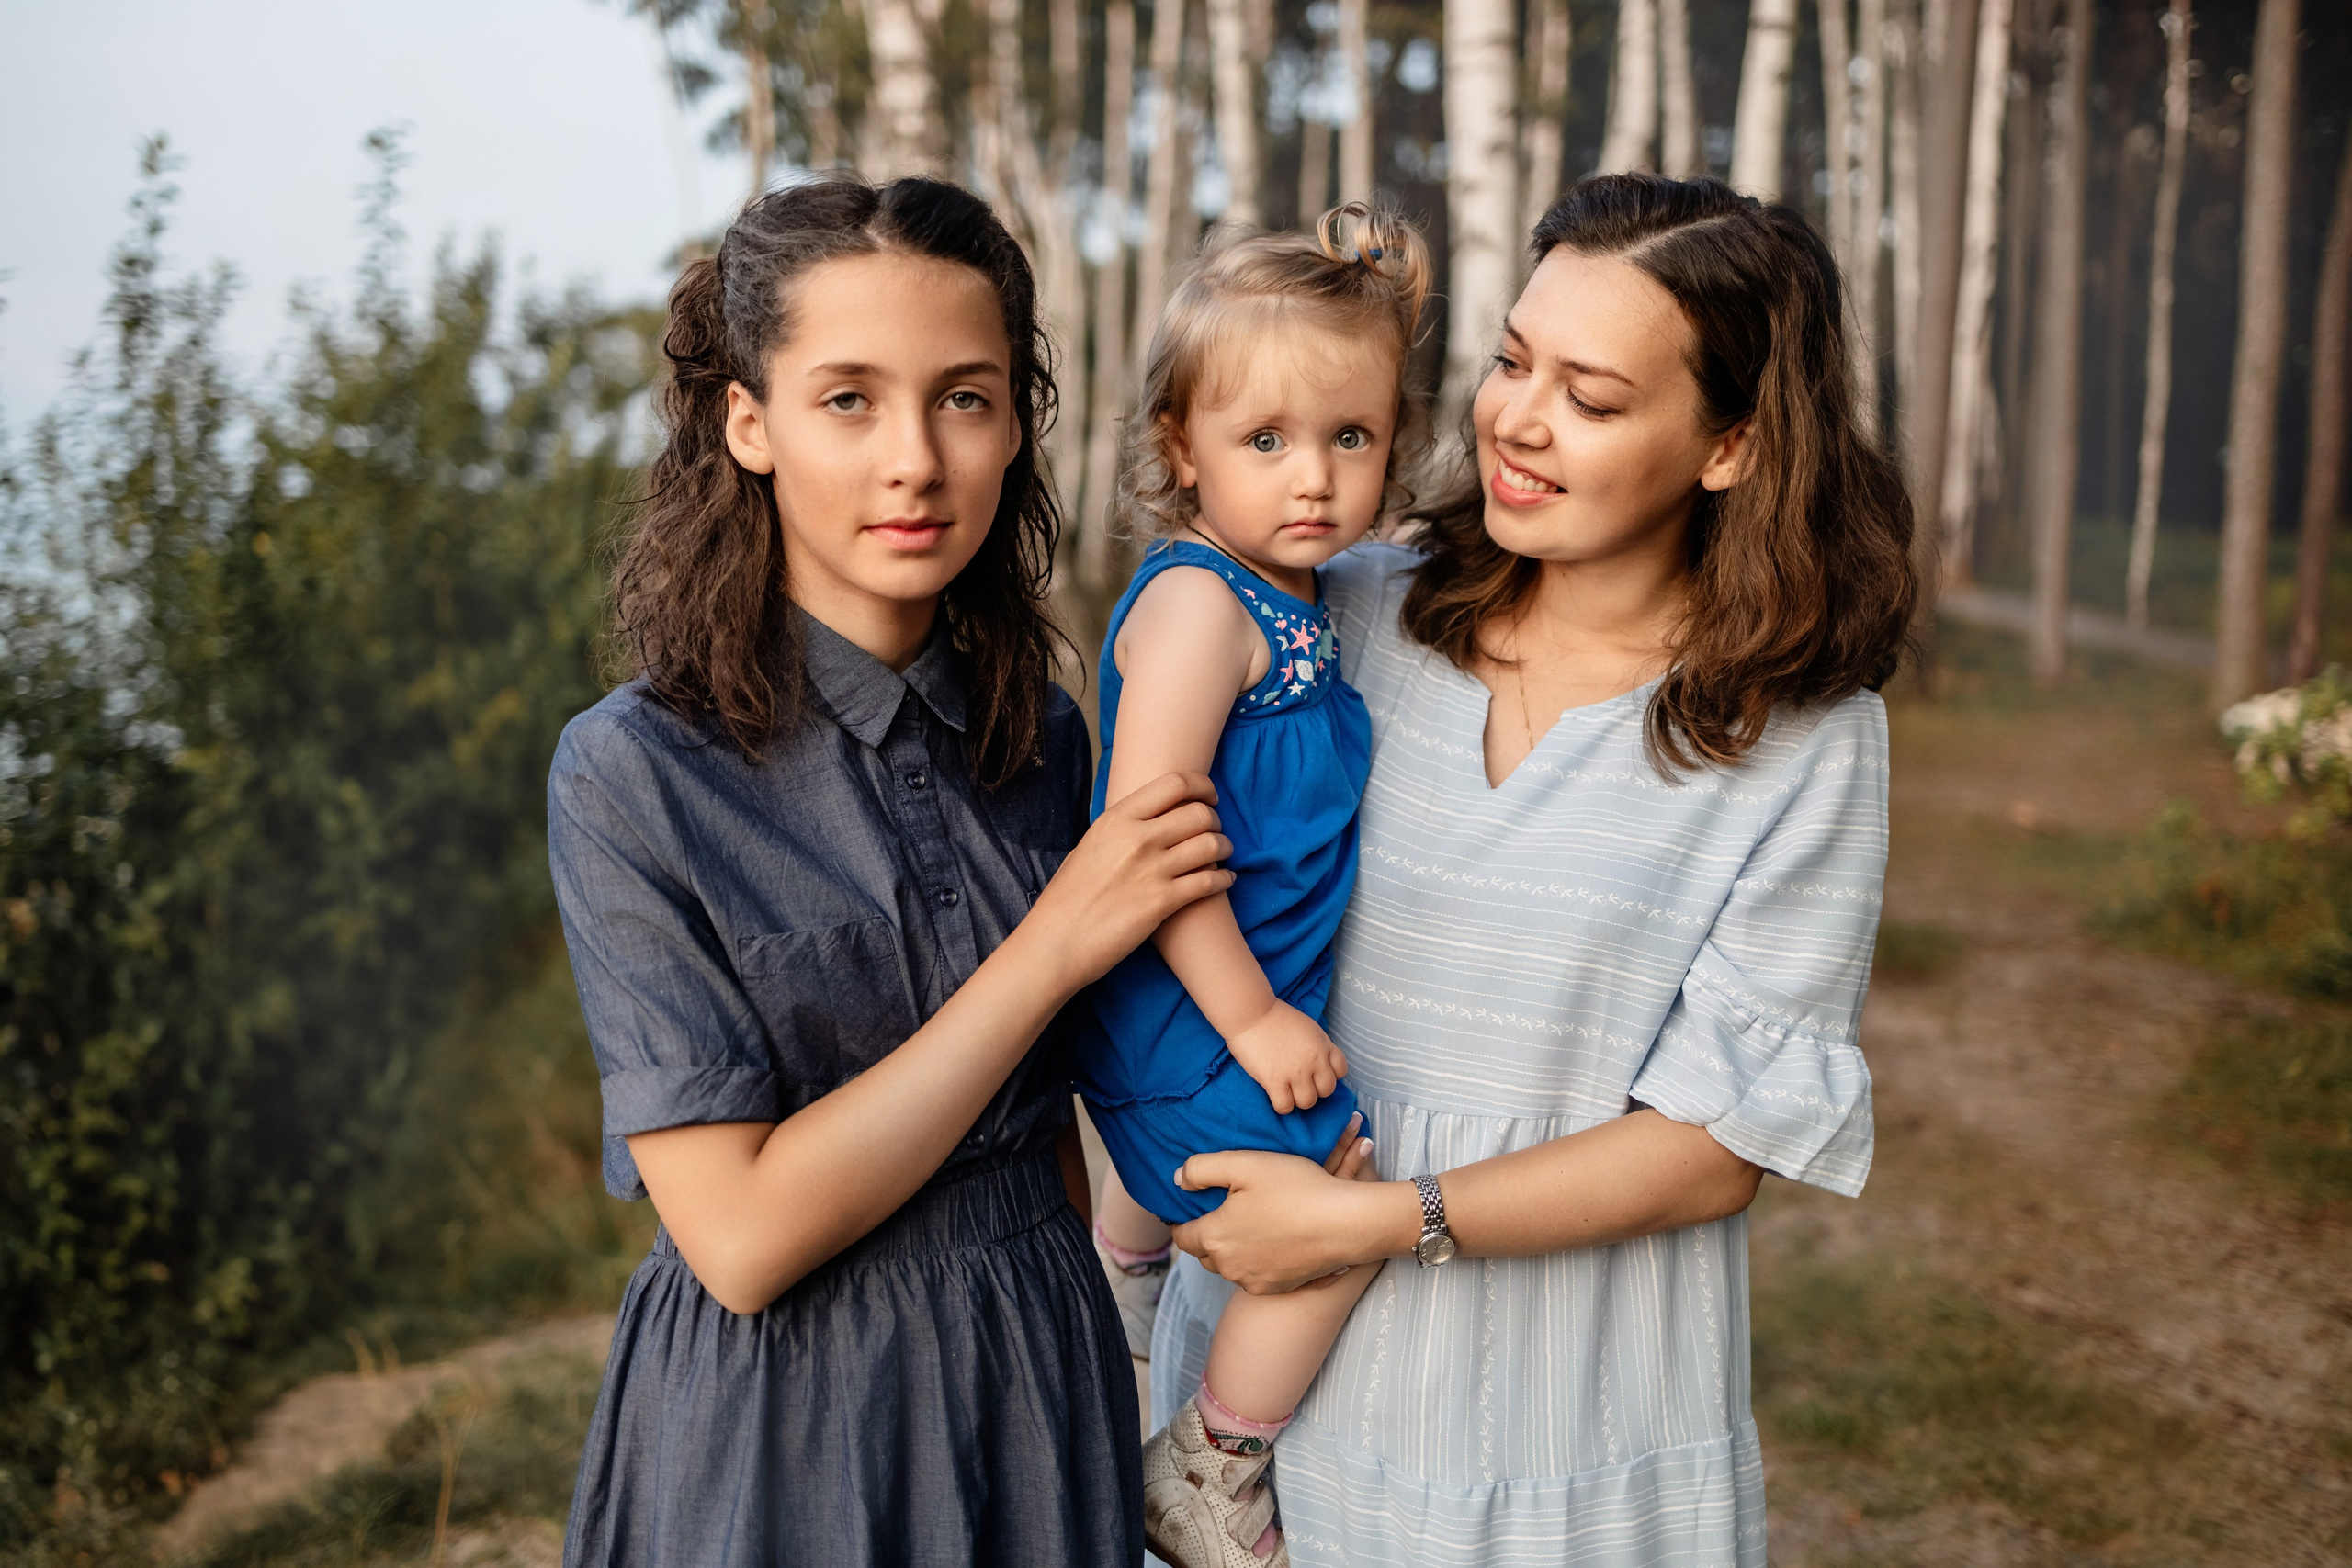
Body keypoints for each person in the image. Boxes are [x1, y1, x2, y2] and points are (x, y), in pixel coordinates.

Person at [1148, 174, 1917, 1566]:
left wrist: (1377, 1218)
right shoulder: (1353, 617)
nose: (1516, 418)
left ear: (1732, 443)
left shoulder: (1804, 737)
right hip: (1274, 1389)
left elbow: (1713, 1147)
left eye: (1595, 397)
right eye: (1511, 360)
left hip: (1570, 1401)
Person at [545, 176, 1237, 1567]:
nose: (915, 459)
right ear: (750, 422)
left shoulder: (1040, 732)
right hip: (787, 1416)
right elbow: (737, 1236)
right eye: (849, 399)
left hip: (1042, 1367)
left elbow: (1057, 1119)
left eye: (964, 398)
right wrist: (1050, 942)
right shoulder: (635, 772)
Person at [1072, 204, 1432, 1568]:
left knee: (1244, 1174)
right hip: (1190, 988)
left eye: (1352, 437)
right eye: (1265, 441)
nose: (1316, 480)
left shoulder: (1300, 600)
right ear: (1183, 448)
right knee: (1341, 1199)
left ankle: (1119, 1276)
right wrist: (1253, 1022)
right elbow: (1153, 846)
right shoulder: (1199, 608)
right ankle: (1213, 1462)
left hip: (1217, 989)